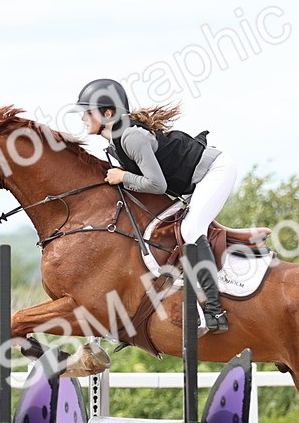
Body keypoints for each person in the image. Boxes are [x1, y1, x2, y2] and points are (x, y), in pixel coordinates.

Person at [75, 78, 236, 334]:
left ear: (107, 114)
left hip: (214, 171)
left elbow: (157, 185)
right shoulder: (115, 141)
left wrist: (123, 177)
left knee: (191, 229)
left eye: (88, 112)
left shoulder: (131, 137)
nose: (83, 117)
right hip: (190, 182)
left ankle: (215, 310)